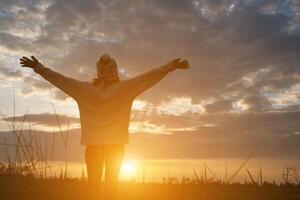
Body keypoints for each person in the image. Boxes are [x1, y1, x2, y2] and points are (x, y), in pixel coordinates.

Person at [19, 54, 189, 199]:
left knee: (92, 186)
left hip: (93, 146)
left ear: (98, 72)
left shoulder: (84, 89)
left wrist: (39, 67)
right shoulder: (125, 88)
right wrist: (172, 66)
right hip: (116, 146)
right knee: (112, 186)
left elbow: (60, 80)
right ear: (116, 70)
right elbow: (150, 77)